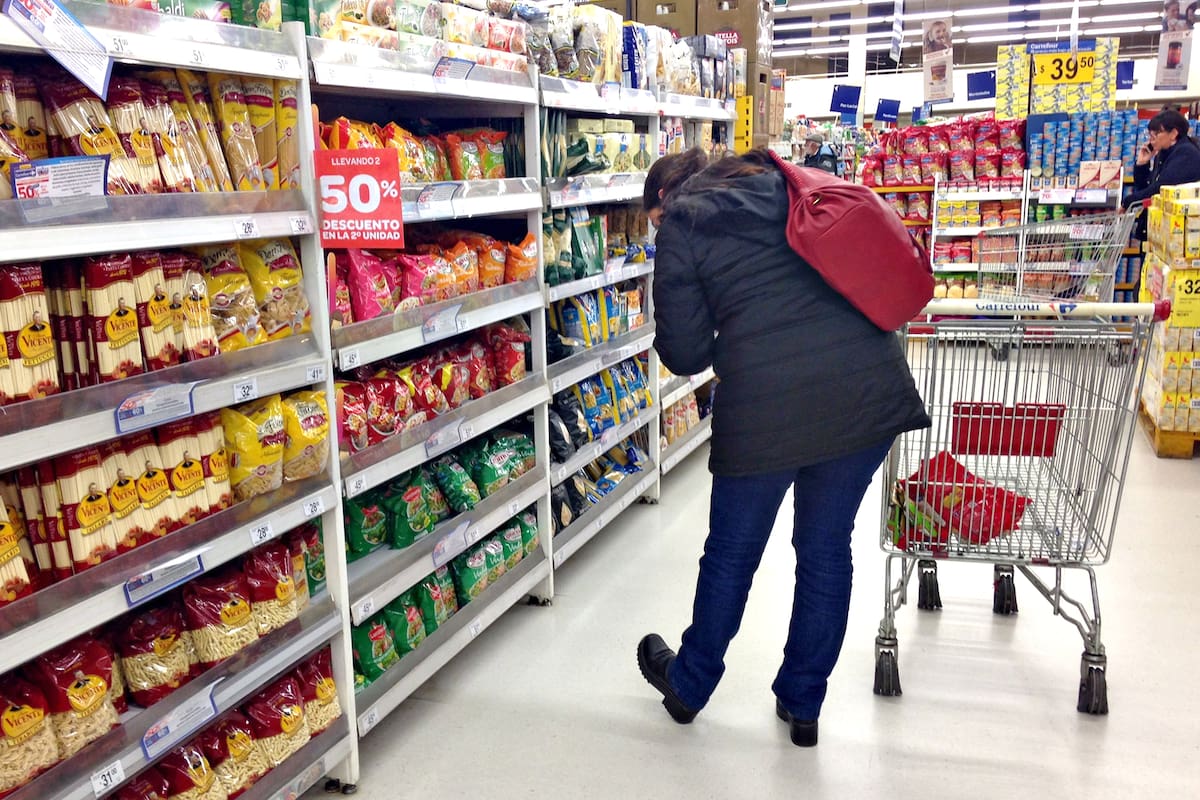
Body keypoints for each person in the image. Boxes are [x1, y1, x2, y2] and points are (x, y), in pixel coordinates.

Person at [636, 148, 930, 747]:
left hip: (765, 406)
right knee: (825, 549)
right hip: (865, 392)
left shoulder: (683, 224)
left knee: (731, 554)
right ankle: (803, 705)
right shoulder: (784, 182)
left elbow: (686, 353)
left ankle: (689, 687)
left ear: (664, 201)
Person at [1124, 109, 1200, 240]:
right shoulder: (1164, 153)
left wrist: (1128, 202)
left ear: (1173, 133)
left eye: (1156, 134)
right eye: (1150, 135)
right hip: (1160, 231)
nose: (1151, 139)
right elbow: (1146, 189)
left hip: (1178, 234)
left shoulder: (1187, 154)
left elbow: (1161, 189)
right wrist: (1142, 164)